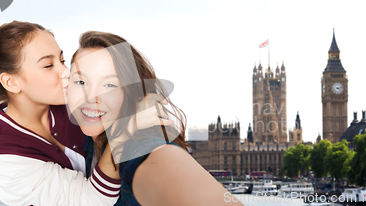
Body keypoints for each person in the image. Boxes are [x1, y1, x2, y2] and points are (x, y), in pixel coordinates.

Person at [0, 21, 169, 206]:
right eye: (48, 65)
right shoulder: (6, 157)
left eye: (62, 60)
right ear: (11, 82)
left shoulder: (72, 98)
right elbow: (92, 200)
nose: (66, 73)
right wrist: (125, 129)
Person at [68, 31, 244, 206]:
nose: (91, 97)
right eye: (81, 82)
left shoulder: (142, 146)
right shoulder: (80, 137)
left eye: (110, 85)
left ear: (130, 92)